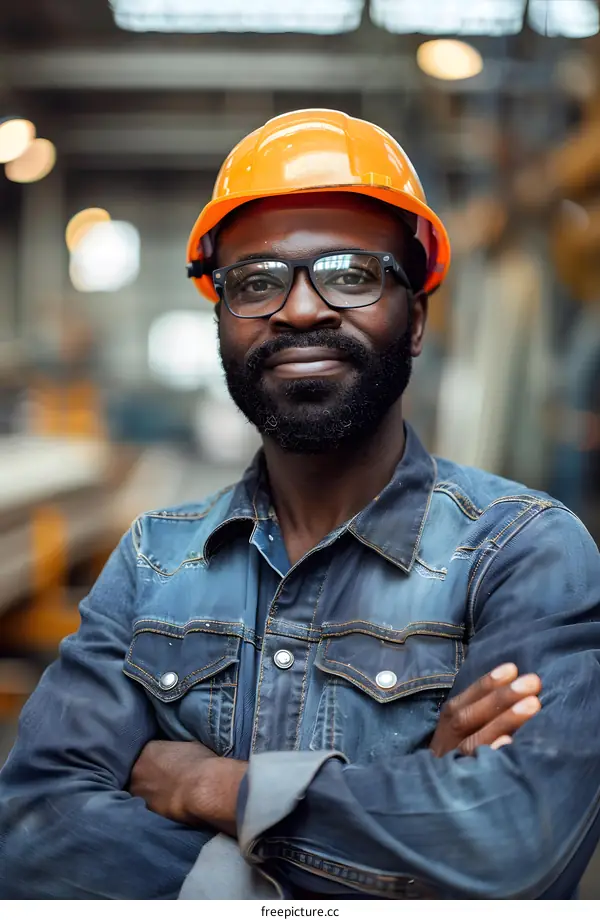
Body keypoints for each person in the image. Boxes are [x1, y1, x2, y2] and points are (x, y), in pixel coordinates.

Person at [0, 109, 599, 901]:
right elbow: (32, 835)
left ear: (415, 318)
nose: (303, 309)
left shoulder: (523, 553)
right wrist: (405, 796)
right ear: (221, 319)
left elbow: (514, 846)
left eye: (351, 274)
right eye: (257, 281)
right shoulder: (154, 561)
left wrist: (213, 789)